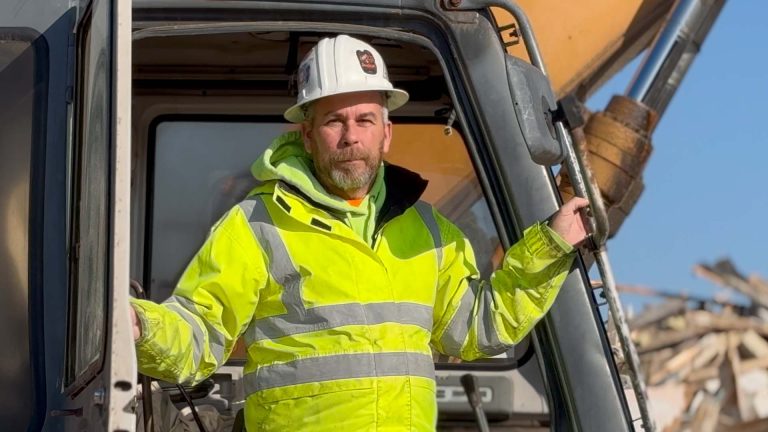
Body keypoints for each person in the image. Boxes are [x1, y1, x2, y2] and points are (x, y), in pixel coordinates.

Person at [130, 34, 590, 431]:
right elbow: (198, 331)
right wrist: (140, 327)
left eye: (364, 120)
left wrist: (550, 247)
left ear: (386, 133)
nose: (351, 136)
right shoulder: (256, 225)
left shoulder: (429, 230)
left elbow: (480, 328)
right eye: (334, 121)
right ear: (307, 135)